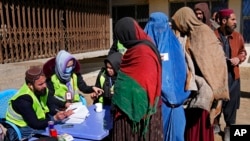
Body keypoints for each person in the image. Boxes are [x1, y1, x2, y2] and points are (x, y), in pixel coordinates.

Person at [171, 7, 229, 141]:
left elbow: (209, 62)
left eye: (178, 22)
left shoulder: (201, 33)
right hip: (195, 90)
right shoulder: (190, 33)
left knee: (198, 129)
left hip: (204, 90)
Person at [111, 17, 163, 141]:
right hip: (140, 111)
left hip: (140, 115)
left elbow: (146, 83)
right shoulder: (140, 48)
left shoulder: (142, 52)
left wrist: (121, 91)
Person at [144, 12, 190, 141]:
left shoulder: (174, 46)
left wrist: (175, 96)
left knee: (176, 134)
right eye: (155, 27)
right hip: (154, 103)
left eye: (162, 27)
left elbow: (180, 72)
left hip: (175, 104)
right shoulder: (144, 49)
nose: (159, 31)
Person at [5, 67, 73, 140]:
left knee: (65, 126)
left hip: (37, 120)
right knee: (54, 136)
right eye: (40, 84)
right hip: (22, 127)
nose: (45, 86)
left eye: (45, 82)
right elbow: (35, 124)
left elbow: (51, 101)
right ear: (30, 85)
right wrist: (55, 118)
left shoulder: (41, 90)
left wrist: (64, 108)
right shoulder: (23, 100)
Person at [214, 9, 247, 141]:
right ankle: (215, 124)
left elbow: (243, 52)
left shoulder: (238, 36)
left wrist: (239, 59)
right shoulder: (213, 36)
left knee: (231, 104)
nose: (235, 22)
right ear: (223, 21)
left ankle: (229, 129)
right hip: (217, 77)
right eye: (232, 19)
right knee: (216, 102)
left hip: (233, 76)